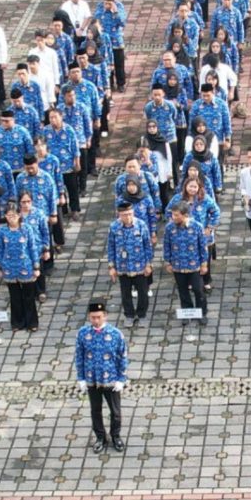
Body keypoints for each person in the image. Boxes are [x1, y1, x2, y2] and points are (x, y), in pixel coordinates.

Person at [76, 296, 128, 451]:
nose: (96, 320)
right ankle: (100, 437)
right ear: (89, 317)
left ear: (105, 316)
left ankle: (115, 436)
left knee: (115, 412)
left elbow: (123, 357)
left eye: (99, 317)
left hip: (111, 379)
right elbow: (79, 356)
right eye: (93, 317)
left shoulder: (115, 334)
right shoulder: (83, 333)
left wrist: (121, 379)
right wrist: (81, 378)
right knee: (95, 411)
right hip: (92, 379)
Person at [106, 186, 156, 324]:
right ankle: (129, 315)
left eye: (129, 214)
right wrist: (111, 267)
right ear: (119, 214)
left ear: (133, 213)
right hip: (123, 267)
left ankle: (142, 314)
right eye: (124, 215)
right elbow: (110, 247)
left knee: (143, 293)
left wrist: (149, 264)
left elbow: (148, 246)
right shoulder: (114, 227)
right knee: (125, 294)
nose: (127, 217)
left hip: (140, 266)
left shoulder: (141, 225)